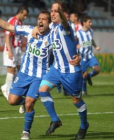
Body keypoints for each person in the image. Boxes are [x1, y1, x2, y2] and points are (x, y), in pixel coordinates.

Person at [0, 10, 80, 139]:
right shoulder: (29, 30)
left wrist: (78, 56)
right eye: (39, 18)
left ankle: (26, 131)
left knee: (30, 103)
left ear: (49, 23)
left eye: (44, 19)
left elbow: (68, 45)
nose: (40, 21)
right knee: (12, 101)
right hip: (24, 74)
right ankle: (23, 103)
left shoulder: (53, 36)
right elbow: (7, 26)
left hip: (40, 76)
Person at [34, 1, 89, 140]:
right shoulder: (51, 27)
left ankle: (84, 125)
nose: (53, 13)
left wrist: (79, 56)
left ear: (63, 14)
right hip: (56, 68)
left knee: (76, 101)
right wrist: (34, 29)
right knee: (42, 90)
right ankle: (55, 120)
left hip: (71, 70)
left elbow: (65, 22)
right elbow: (39, 27)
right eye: (51, 10)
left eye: (56, 11)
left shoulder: (66, 27)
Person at [1, 5, 29, 113]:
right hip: (11, 48)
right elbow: (8, 35)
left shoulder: (20, 23)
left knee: (20, 70)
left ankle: (18, 91)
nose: (25, 18)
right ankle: (6, 88)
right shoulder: (12, 20)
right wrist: (9, 50)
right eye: (25, 15)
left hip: (18, 49)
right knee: (11, 69)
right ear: (21, 13)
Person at [76, 15, 100, 95]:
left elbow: (91, 40)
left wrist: (95, 46)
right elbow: (73, 43)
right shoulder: (78, 33)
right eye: (89, 22)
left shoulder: (91, 31)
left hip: (90, 55)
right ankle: (84, 91)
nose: (91, 23)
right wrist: (76, 46)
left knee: (97, 70)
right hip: (82, 57)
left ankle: (89, 76)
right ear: (84, 23)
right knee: (84, 74)